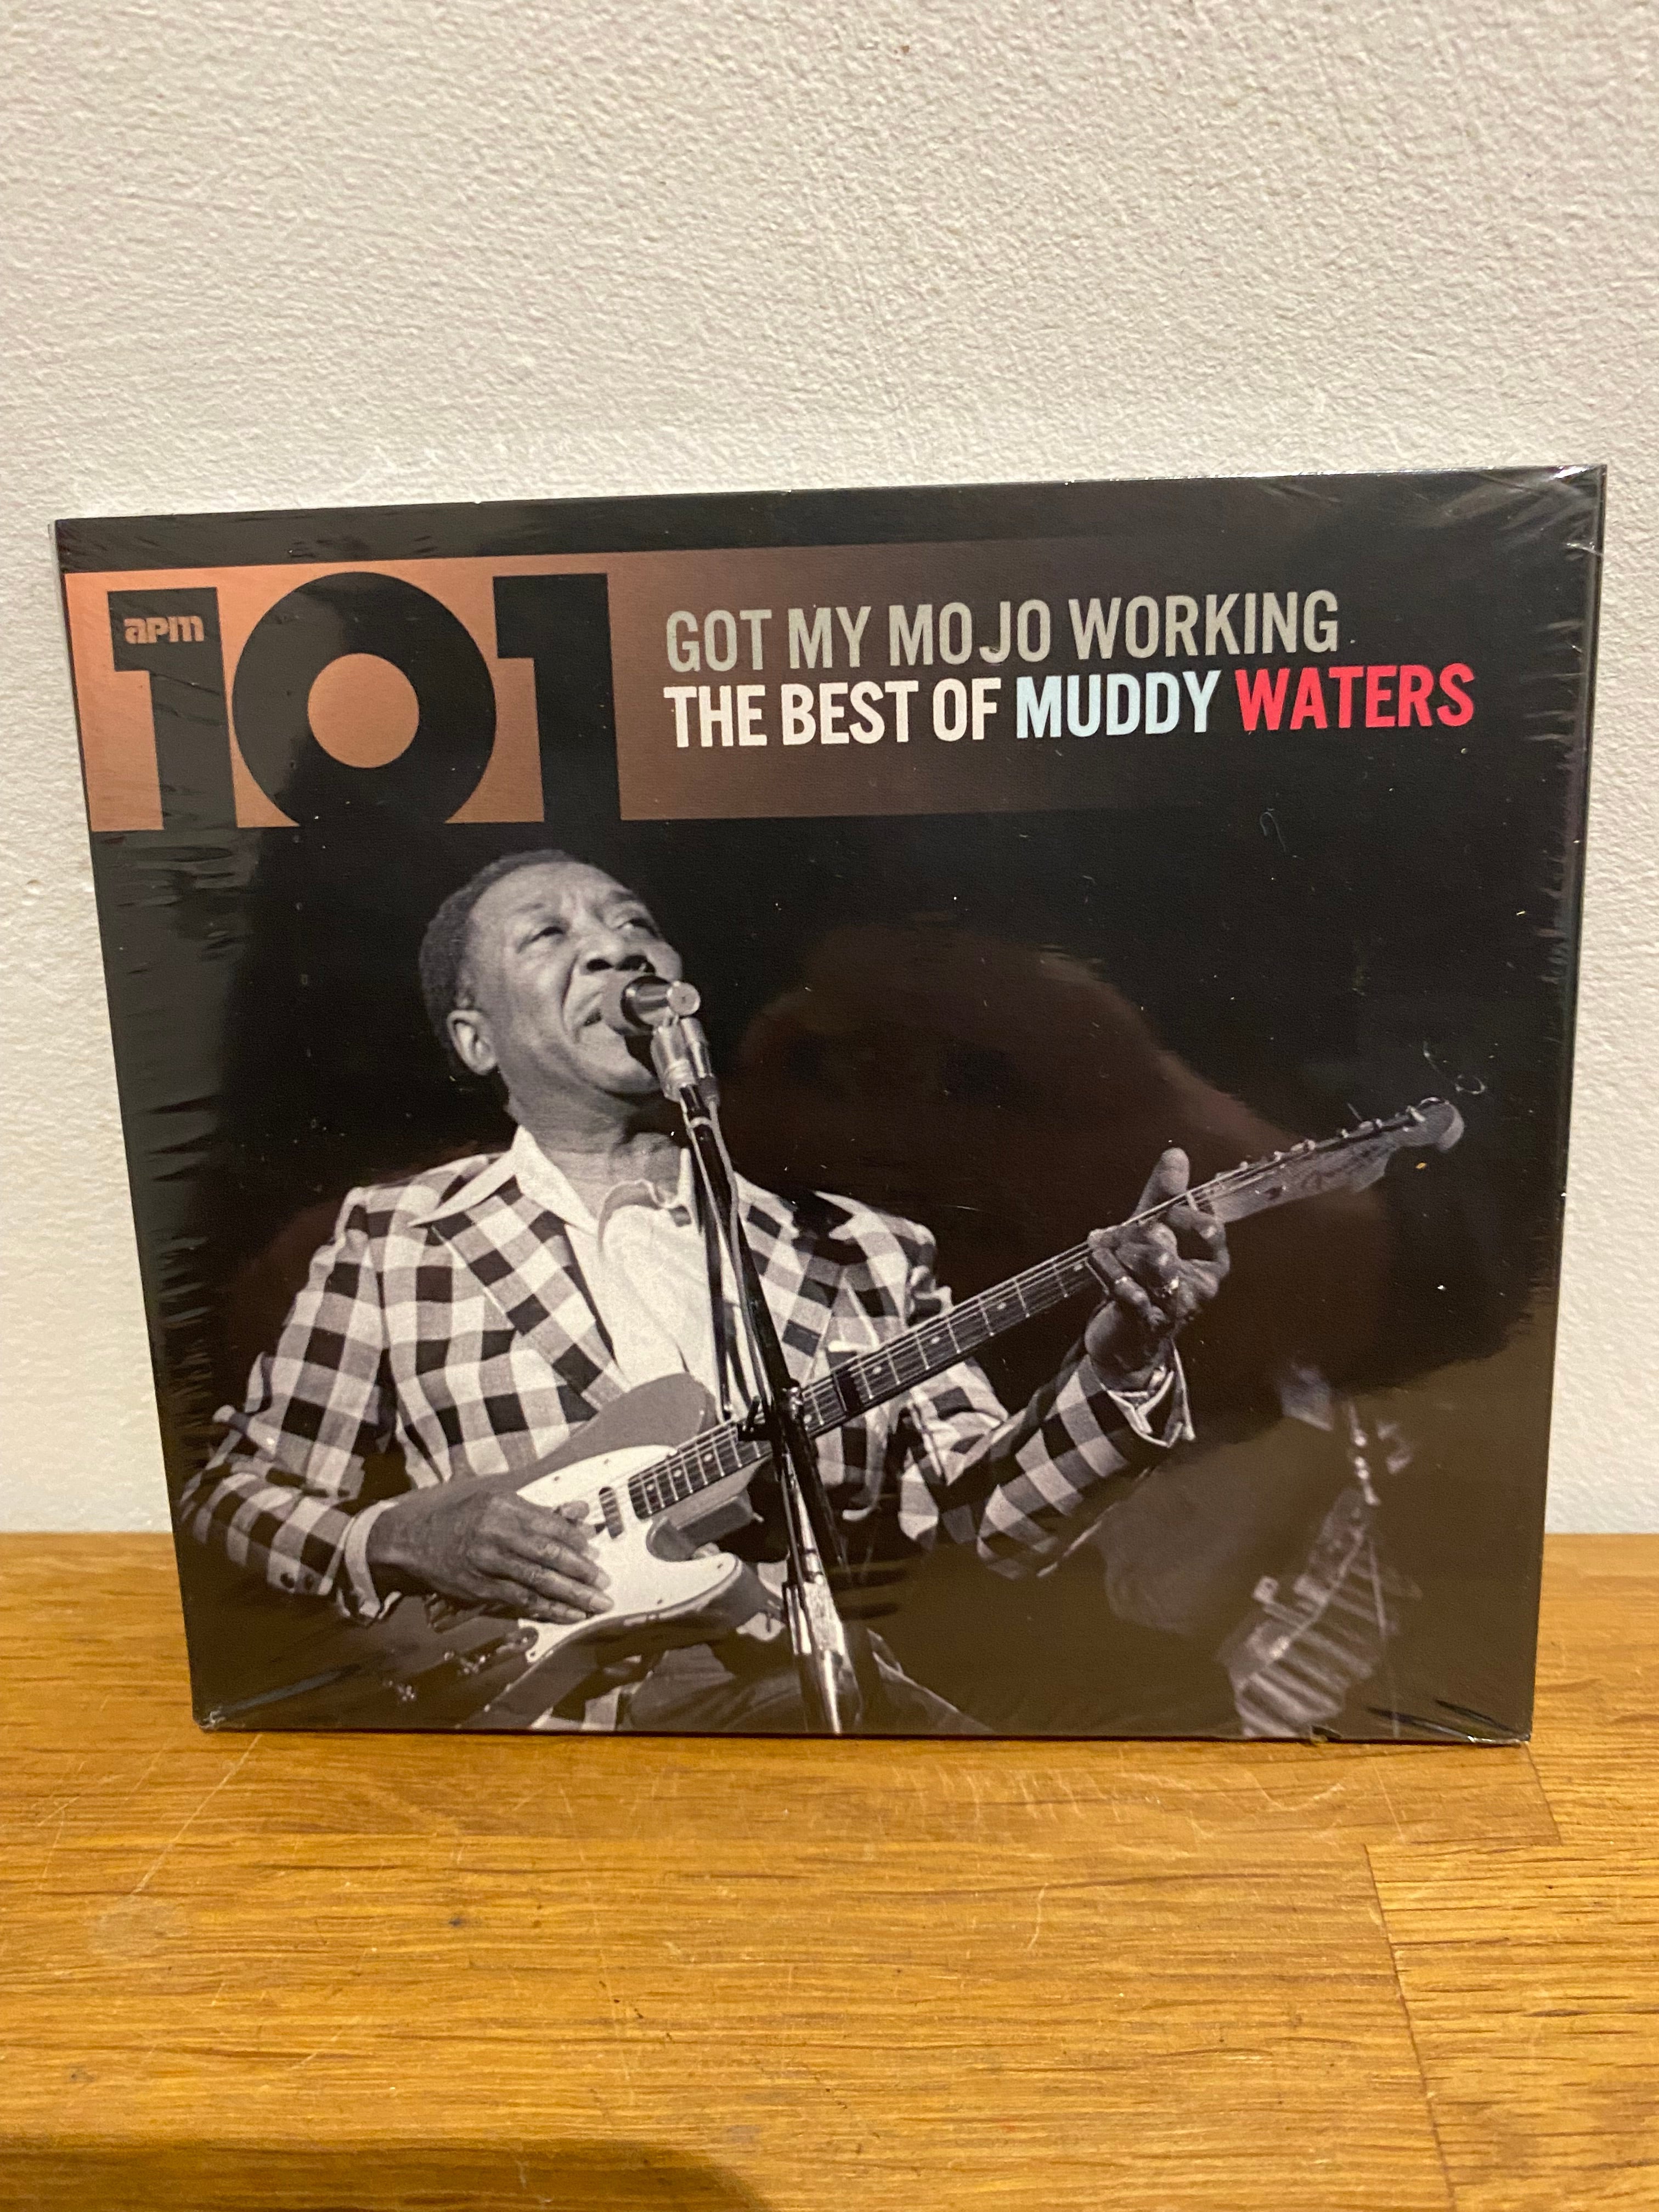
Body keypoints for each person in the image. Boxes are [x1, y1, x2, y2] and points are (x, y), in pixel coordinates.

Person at [178, 849, 1230, 1731]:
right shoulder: (400, 1240)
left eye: (634, 922)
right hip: (541, 1724)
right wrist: (397, 1537)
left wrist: (1121, 1362)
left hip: (809, 1693)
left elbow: (988, 1523)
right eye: (548, 935)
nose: (614, 947)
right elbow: (231, 1497)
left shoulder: (858, 1250)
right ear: (475, 1038)